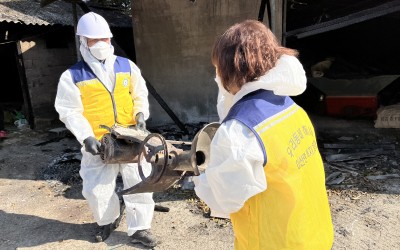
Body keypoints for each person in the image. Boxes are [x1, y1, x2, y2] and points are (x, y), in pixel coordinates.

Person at [193, 20, 334, 249]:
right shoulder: (292, 109)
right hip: (313, 235)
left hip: (274, 242)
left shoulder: (240, 130)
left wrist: (200, 174)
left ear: (230, 67)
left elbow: (224, 200)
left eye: (217, 67)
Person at [54, 12, 157, 247]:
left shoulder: (127, 66)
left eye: (105, 39)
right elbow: (69, 110)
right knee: (96, 188)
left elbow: (140, 93)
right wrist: (85, 136)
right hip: (98, 143)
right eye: (94, 40)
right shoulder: (72, 76)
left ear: (110, 40)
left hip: (131, 138)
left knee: (140, 181)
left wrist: (140, 115)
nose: (101, 45)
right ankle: (107, 220)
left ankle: (140, 228)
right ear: (83, 42)